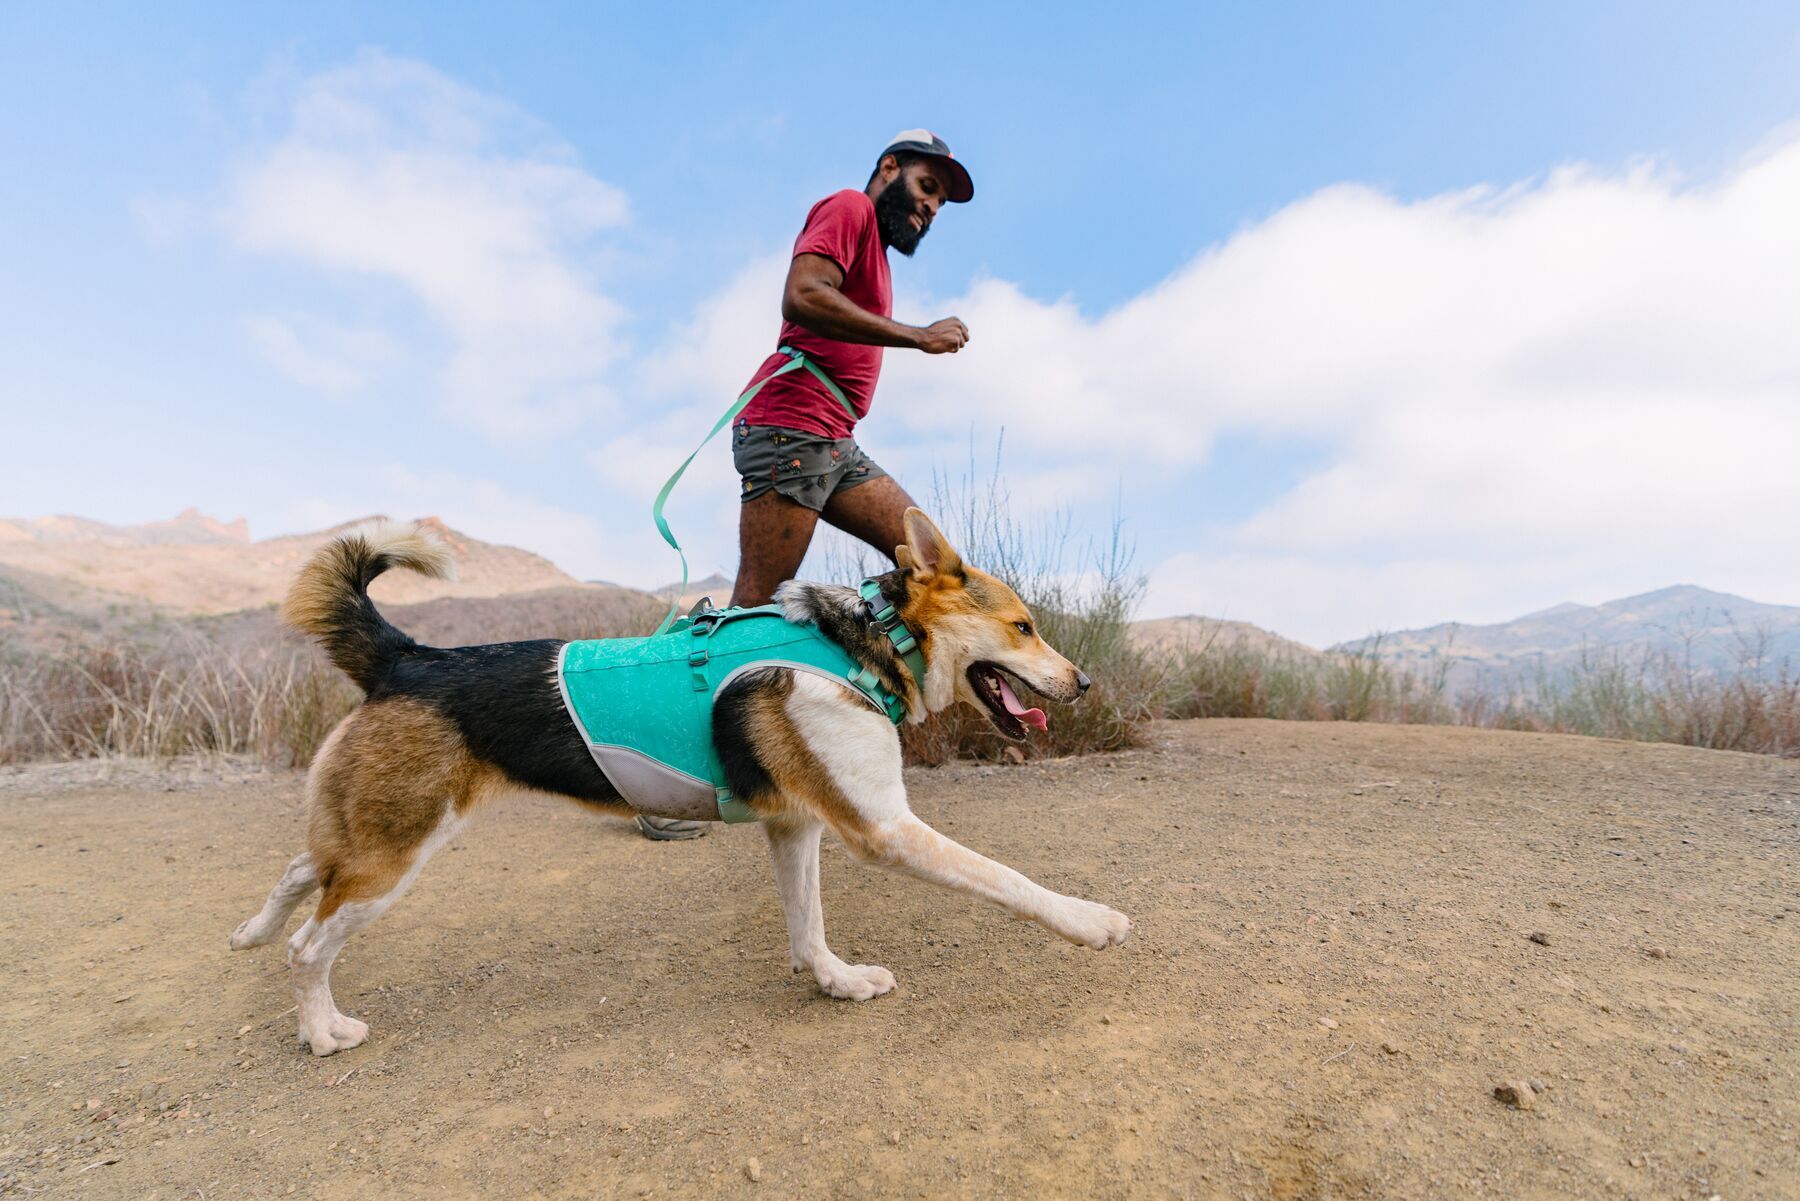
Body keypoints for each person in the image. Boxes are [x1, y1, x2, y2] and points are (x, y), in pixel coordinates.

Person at [636, 129, 975, 842]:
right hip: (790, 431)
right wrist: (915, 336)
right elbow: (802, 295)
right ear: (890, 169)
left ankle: (844, 708)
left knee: (934, 566)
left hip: (832, 441)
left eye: (941, 201)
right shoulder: (850, 207)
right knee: (750, 611)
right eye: (927, 188)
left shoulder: (875, 254)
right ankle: (668, 783)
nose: (932, 208)